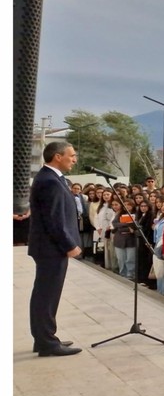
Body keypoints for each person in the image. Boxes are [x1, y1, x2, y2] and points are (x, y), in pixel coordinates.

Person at [28, 142, 83, 357]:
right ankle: (47, 342)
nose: (74, 159)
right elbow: (54, 220)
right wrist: (69, 245)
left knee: (46, 294)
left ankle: (44, 338)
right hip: (51, 248)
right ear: (58, 157)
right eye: (72, 155)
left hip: (50, 247)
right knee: (46, 295)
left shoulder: (53, 178)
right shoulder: (49, 181)